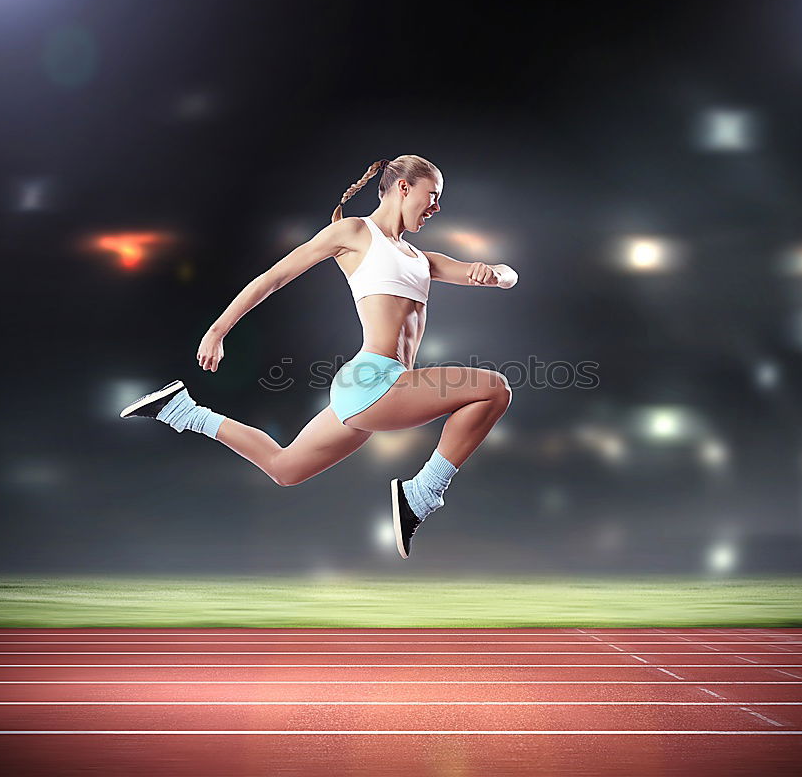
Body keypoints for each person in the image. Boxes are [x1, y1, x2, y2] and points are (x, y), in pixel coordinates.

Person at [120, 155, 518, 558]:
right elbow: (273, 278)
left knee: (284, 468)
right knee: (494, 389)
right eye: (431, 196)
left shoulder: (421, 259)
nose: (436, 208)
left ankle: (182, 411)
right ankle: (422, 494)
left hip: (379, 389)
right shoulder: (354, 232)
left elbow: (502, 274)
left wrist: (495, 273)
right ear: (403, 188)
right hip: (373, 381)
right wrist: (217, 331)